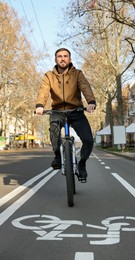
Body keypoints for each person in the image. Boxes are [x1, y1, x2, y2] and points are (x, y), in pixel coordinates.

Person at [35, 48, 96, 179]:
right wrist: (40, 105)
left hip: (76, 111)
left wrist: (91, 102)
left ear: (70, 59)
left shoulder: (78, 74)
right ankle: (57, 155)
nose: (62, 58)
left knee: (88, 140)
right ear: (55, 59)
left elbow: (85, 87)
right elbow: (43, 91)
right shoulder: (49, 76)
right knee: (54, 131)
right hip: (57, 111)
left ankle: (82, 164)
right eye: (59, 56)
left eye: (65, 56)